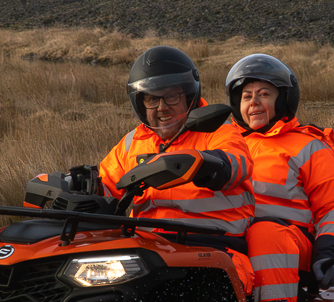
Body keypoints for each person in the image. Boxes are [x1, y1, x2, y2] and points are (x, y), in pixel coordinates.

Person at [226, 53, 334, 302]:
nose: (253, 102)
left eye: (264, 94)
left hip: (292, 244)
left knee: (264, 233)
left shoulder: (309, 146)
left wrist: (329, 251)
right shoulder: (227, 145)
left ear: (282, 100)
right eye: (246, 95)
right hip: (235, 242)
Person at [96, 46, 253, 234]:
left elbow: (237, 163)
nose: (162, 107)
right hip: (149, 247)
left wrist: (205, 164)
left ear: (188, 98)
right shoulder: (132, 143)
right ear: (141, 104)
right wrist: (79, 187)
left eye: (171, 96)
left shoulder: (216, 129)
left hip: (214, 243)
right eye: (151, 99)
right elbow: (105, 189)